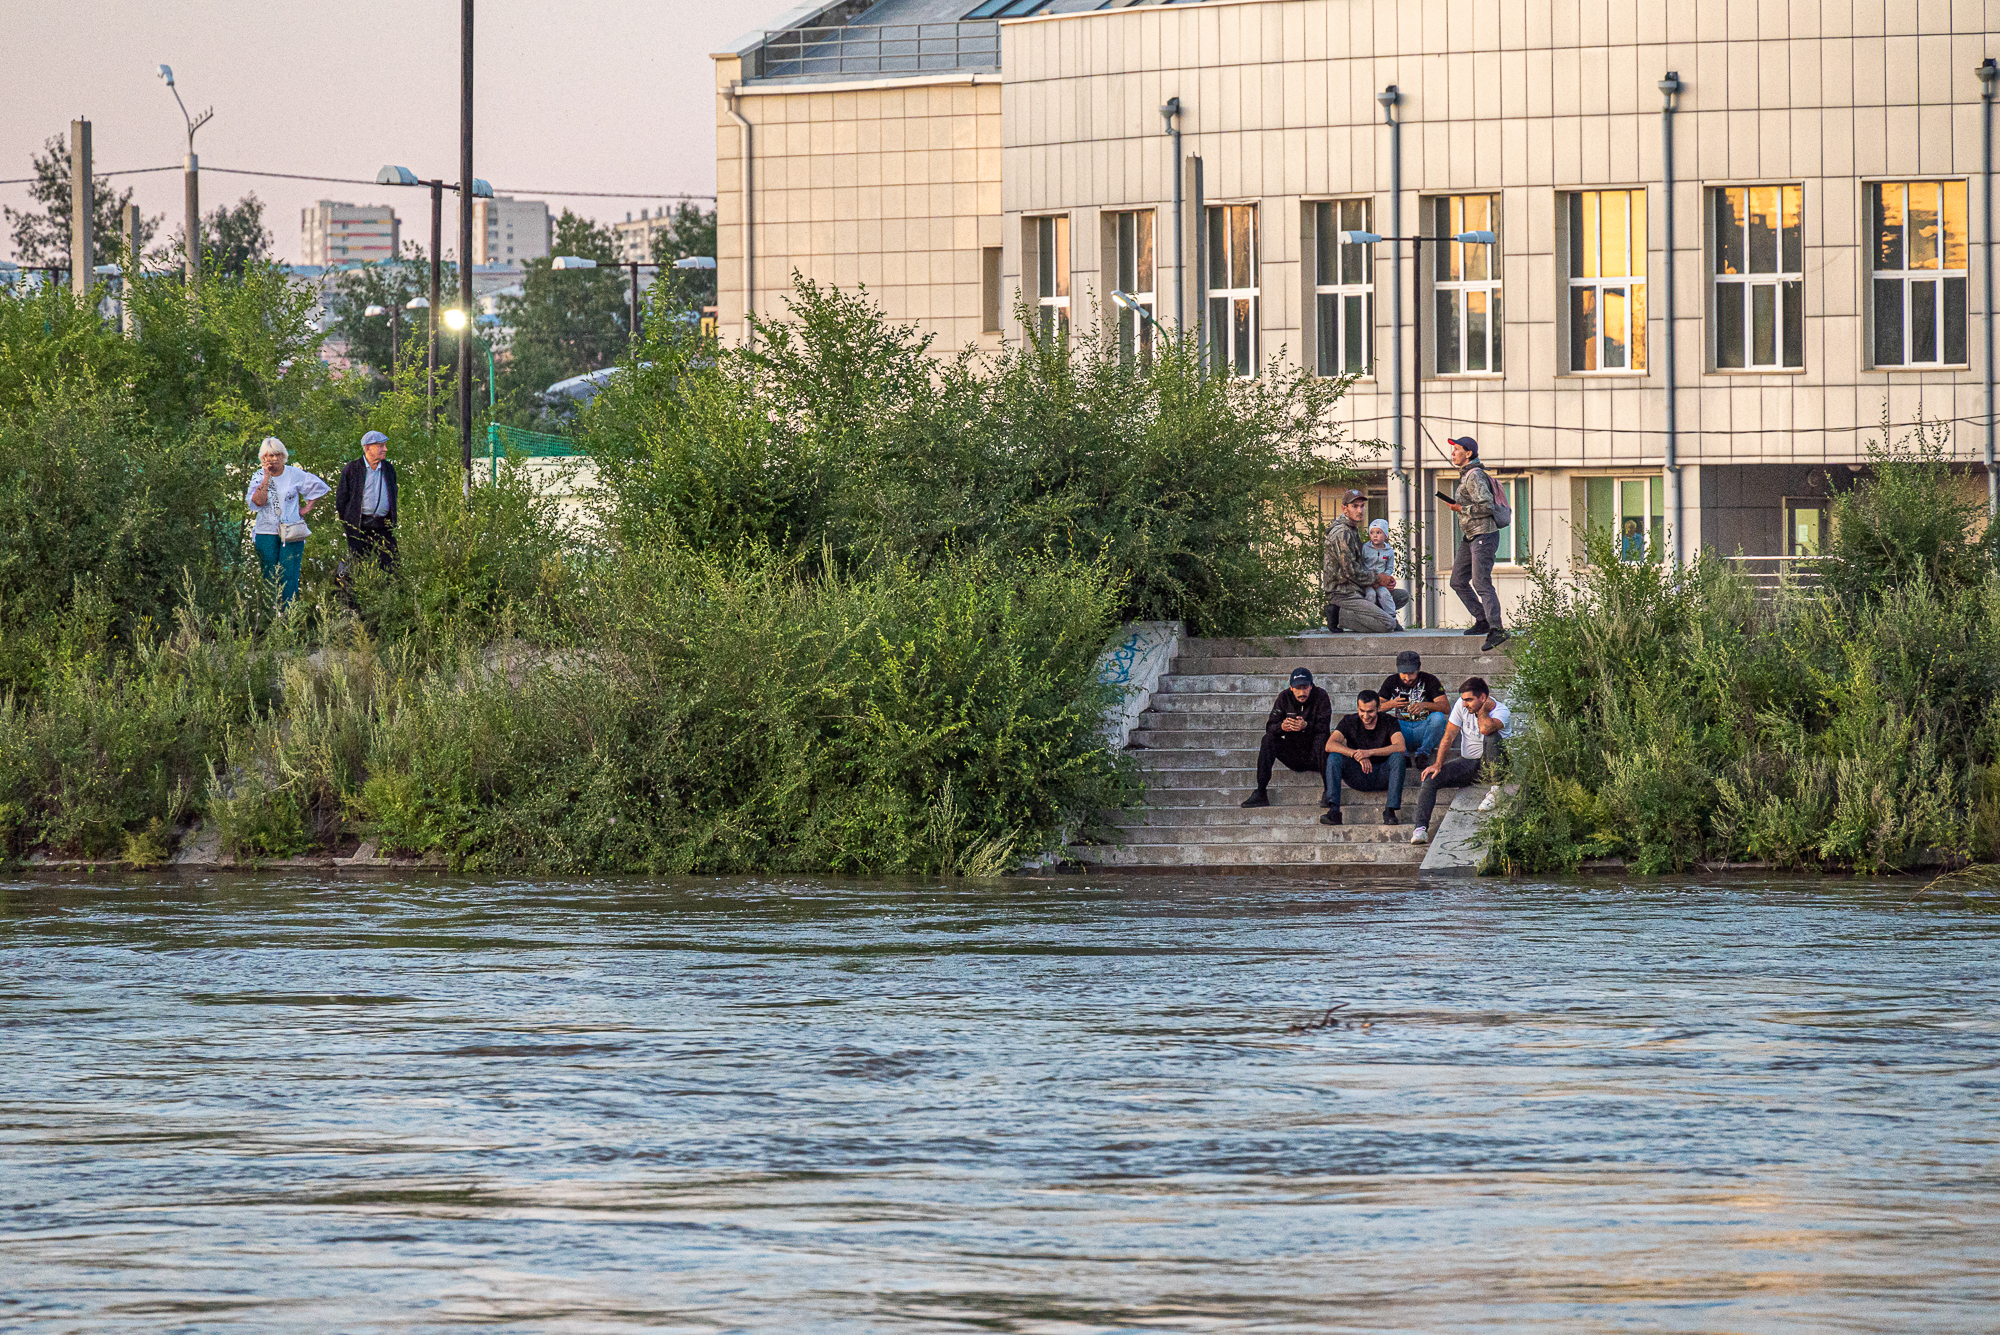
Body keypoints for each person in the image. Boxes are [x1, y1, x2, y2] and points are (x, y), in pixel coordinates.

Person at [1409, 676, 1512, 846]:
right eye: (1463, 700)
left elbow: (1486, 729)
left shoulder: (1501, 711)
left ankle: (1497, 789)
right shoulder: (1461, 705)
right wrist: (1438, 764)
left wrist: (1483, 712)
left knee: (1492, 737)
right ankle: (1420, 829)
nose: (1465, 704)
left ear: (1483, 698)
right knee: (1431, 778)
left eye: (1469, 700)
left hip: (1496, 764)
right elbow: (1449, 735)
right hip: (1469, 763)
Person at [1441, 436, 1508, 652]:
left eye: (1457, 449)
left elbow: (1487, 506)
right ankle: (1482, 620)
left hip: (1483, 536)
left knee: (1481, 582)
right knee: (1458, 580)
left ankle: (1497, 630)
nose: (1453, 453)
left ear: (1468, 453)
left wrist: (1461, 509)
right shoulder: (1467, 475)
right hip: (1470, 536)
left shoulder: (1475, 475)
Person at [246, 436, 329, 608]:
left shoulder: (294, 474)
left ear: (283, 456)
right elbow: (257, 502)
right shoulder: (259, 476)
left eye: (277, 455)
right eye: (269, 456)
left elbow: (318, 487)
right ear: (263, 458)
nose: (274, 459)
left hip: (291, 532)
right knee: (268, 575)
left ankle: (290, 618)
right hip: (266, 532)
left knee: (289, 575)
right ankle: (270, 617)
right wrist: (266, 478)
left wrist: (306, 508)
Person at [1241, 667, 1332, 808]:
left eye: (1305, 687)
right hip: (1293, 753)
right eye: (1298, 688)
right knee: (1268, 739)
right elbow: (1270, 727)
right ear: (1291, 688)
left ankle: (1329, 791)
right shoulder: (1284, 697)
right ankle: (1260, 792)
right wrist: (1282, 727)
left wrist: (1306, 726)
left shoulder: (1321, 696)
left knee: (1323, 739)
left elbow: (1325, 727)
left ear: (1311, 686)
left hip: (1316, 755)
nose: (1302, 692)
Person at [1320, 689, 1408, 826]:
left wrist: (1370, 752)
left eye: (1370, 712)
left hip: (1381, 774)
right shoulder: (1349, 721)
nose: (1366, 716)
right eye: (1362, 711)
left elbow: (1400, 746)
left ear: (1379, 708)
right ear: (1357, 708)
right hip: (1357, 774)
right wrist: (1356, 754)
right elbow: (1330, 744)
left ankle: (1390, 810)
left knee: (1398, 757)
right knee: (1333, 757)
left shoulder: (1389, 722)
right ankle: (1334, 811)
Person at [1322, 490, 1405, 633]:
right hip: (1344, 593)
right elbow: (1350, 572)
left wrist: (1383, 580)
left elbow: (1361, 565)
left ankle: (1366, 614)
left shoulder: (1352, 528)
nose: (1360, 510)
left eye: (1362, 506)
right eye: (1355, 506)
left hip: (1358, 588)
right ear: (1344, 508)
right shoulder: (1342, 533)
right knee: (1388, 624)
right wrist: (1378, 579)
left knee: (1401, 596)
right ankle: (1339, 615)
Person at [335, 429, 399, 574]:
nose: (385, 449)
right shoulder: (352, 469)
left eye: (385, 445)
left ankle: (388, 595)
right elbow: (342, 499)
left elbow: (393, 493)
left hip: (384, 525)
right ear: (367, 448)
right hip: (360, 526)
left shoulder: (388, 469)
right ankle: (352, 595)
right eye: (381, 446)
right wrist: (349, 523)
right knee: (359, 566)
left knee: (391, 564)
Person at [1379, 648, 1449, 765]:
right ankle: (1403, 754)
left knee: (1438, 717)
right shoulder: (1391, 681)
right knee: (1382, 719)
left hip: (1423, 727)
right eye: (1403, 673)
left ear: (1419, 668)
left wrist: (1425, 705)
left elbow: (1446, 708)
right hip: (1402, 729)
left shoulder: (1430, 680)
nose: (1407, 678)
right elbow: (1376, 709)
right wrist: (1391, 704)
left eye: (1411, 673)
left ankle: (1423, 753)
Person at [1361, 518, 1402, 627]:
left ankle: (1392, 618)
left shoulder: (1388, 551)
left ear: (1385, 535)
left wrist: (1386, 577)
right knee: (1370, 595)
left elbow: (1389, 567)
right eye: (1372, 533)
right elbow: (1361, 565)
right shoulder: (1365, 548)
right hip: (1369, 581)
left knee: (1385, 595)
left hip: (1382, 582)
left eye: (1378, 533)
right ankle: (1369, 619)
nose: (1375, 536)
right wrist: (1370, 578)